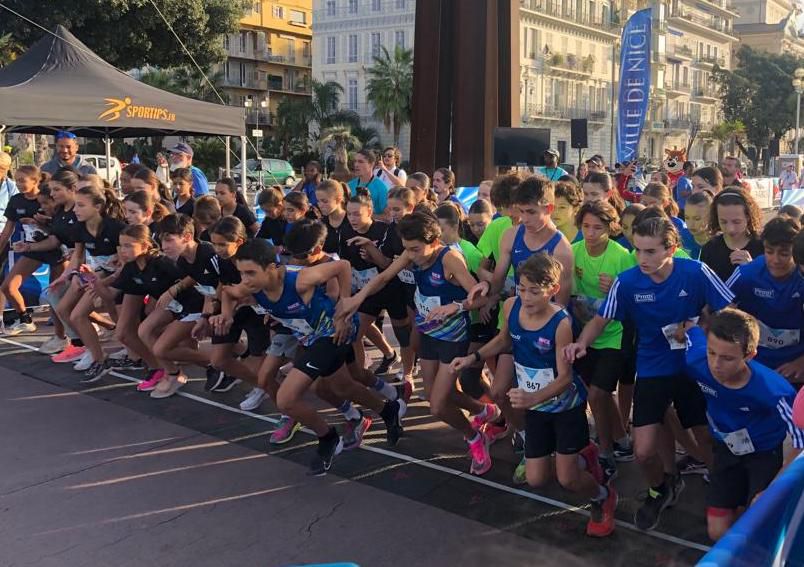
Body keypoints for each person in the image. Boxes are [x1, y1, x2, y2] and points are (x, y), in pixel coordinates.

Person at [565, 217, 734, 531]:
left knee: (706, 438)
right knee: (642, 452)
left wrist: (701, 328)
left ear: (671, 248)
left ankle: (724, 495)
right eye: (639, 250)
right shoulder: (627, 282)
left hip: (694, 366)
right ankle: (662, 487)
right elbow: (601, 320)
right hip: (654, 368)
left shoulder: (695, 273)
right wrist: (581, 343)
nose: (643, 259)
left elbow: (731, 311)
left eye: (651, 251)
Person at [454, 253, 618, 537]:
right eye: (521, 288)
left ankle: (603, 496)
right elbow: (506, 339)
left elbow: (566, 378)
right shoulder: (512, 306)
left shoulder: (561, 324)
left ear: (553, 291)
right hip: (536, 407)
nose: (526, 297)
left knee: (567, 480)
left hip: (563, 407)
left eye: (534, 291)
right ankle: (583, 457)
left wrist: (532, 399)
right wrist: (473, 358)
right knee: (537, 478)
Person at [227, 238, 407, 475]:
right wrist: (225, 315)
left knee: (285, 398)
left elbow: (342, 266)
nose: (245, 280)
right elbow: (227, 293)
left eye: (250, 272)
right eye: (241, 273)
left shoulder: (299, 279)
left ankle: (327, 438)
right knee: (339, 387)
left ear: (271, 267)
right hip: (311, 337)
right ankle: (388, 410)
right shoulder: (249, 287)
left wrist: (344, 308)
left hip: (334, 332)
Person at [337, 212, 496, 475]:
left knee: (437, 405)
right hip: (428, 332)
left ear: (433, 240)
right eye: (407, 249)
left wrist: (453, 307)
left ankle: (475, 438)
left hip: (453, 337)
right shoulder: (411, 252)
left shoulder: (450, 259)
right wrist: (357, 299)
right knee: (437, 393)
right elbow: (383, 277)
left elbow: (478, 298)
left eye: (415, 249)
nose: (411, 254)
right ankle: (485, 410)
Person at [685, 309, 804, 540]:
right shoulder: (697, 360)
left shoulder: (773, 391)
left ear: (750, 355)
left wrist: (774, 488)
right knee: (717, 531)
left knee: (759, 524)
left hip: (763, 455)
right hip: (725, 451)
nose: (716, 364)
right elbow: (691, 330)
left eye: (728, 358)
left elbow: (801, 441)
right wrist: (686, 328)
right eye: (712, 353)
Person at [569, 201, 633, 480]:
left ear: (611, 227)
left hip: (615, 336)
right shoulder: (573, 252)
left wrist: (616, 288)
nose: (591, 233)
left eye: (598, 227)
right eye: (586, 227)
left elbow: (634, 301)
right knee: (598, 393)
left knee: (597, 394)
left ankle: (605, 453)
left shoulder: (621, 256)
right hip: (585, 333)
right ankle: (622, 441)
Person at [726, 216, 804, 384]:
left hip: (795, 367)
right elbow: (720, 312)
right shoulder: (747, 274)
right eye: (769, 251)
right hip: (754, 364)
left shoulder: (801, 277)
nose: (775, 260)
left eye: (784, 254)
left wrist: (801, 362)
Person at [0, 165, 56, 335]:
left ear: (35, 181)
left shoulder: (46, 199)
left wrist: (40, 222)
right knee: (8, 286)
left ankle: (89, 326)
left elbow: (59, 226)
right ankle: (25, 318)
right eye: (16, 180)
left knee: (57, 294)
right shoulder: (16, 200)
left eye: (22, 181)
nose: (18, 184)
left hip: (54, 248)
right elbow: (7, 230)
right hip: (32, 249)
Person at [700, 188, 764, 282]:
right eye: (723, 222)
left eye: (737, 222)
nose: (730, 229)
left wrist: (752, 268)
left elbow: (772, 288)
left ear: (748, 217)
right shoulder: (709, 249)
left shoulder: (763, 246)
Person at [347, 149, 388, 216]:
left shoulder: (381, 187)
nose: (356, 165)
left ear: (371, 164)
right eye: (355, 161)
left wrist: (365, 216)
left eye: (360, 162)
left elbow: (387, 217)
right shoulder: (349, 185)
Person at [683, 191, 713, 259]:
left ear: (711, 217)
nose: (691, 224)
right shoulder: (680, 237)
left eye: (697, 219)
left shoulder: (719, 242)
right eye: (687, 218)